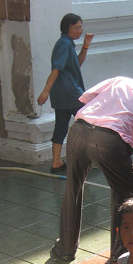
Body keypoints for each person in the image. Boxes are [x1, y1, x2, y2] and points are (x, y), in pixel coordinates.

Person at [51, 76, 133, 262]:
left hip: (78, 130)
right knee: (129, 196)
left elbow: (89, 98)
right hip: (108, 141)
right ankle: (121, 253)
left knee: (73, 188)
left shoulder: (122, 81)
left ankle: (65, 249)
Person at [37, 14, 94, 173]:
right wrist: (45, 91)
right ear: (66, 28)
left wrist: (85, 46)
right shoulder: (64, 44)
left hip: (62, 94)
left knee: (61, 126)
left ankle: (56, 162)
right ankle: (85, 158)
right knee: (89, 123)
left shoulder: (67, 43)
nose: (79, 31)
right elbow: (57, 69)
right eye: (76, 28)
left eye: (80, 27)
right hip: (70, 92)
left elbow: (77, 64)